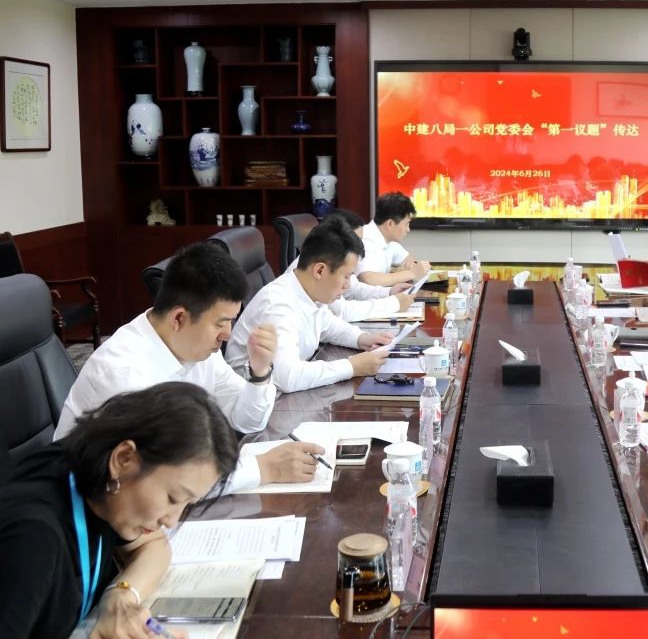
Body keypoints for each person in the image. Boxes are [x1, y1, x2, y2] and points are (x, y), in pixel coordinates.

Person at [56, 243, 321, 492]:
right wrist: (263, 468)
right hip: (90, 509)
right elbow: (160, 483)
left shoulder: (196, 348)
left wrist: (260, 373)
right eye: (220, 323)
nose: (228, 334)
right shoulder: (124, 377)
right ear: (179, 318)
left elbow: (247, 420)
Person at [0, 382, 239, 639]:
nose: (172, 520)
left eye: (187, 504)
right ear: (124, 458)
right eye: (173, 498)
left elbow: (153, 545)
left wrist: (121, 595)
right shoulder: (34, 536)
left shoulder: (105, 491)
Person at [227, 216, 391, 393]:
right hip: (255, 400)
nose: (348, 285)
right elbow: (287, 377)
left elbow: (327, 325)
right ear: (320, 270)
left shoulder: (308, 292)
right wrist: (351, 366)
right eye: (346, 276)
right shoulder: (277, 305)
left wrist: (363, 339)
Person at [287, 211, 415, 322]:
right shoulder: (320, 269)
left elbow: (355, 288)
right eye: (354, 240)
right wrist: (393, 304)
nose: (358, 246)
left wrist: (389, 292)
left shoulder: (330, 259)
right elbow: (342, 311)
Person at [355, 192, 432, 287]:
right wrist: (411, 273)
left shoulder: (387, 239)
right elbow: (368, 279)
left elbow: (408, 258)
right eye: (406, 224)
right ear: (390, 224)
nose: (408, 230)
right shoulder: (366, 240)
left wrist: (411, 265)